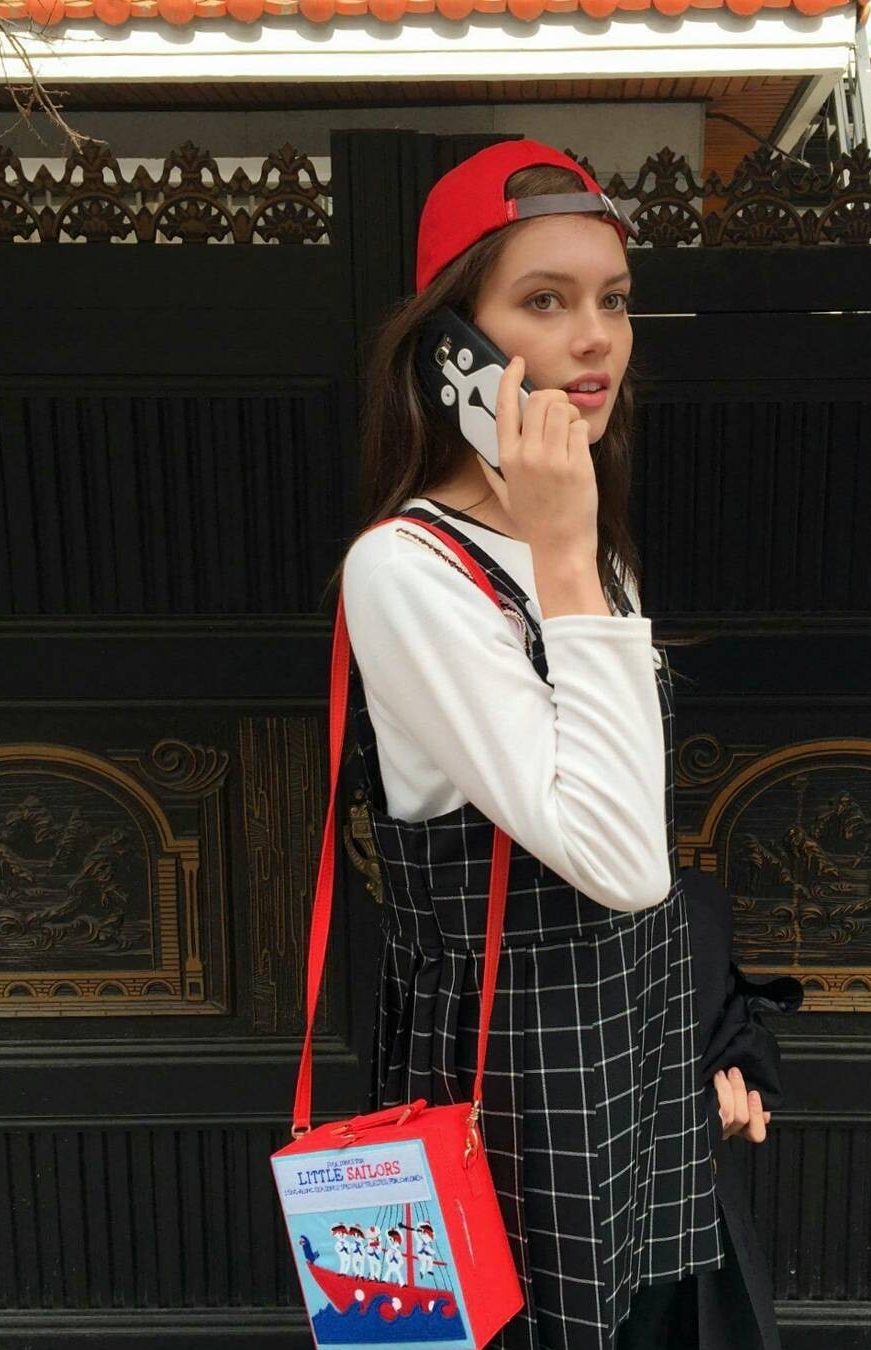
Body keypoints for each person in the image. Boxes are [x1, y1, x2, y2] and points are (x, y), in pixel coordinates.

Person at [329, 139, 775, 1350]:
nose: (595, 340)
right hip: (514, 1085)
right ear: (451, 346)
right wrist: (570, 557)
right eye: (544, 301)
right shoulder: (409, 569)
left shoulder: (582, 542)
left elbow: (641, 843)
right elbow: (618, 863)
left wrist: (714, 1040)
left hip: (634, 1049)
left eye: (613, 302)